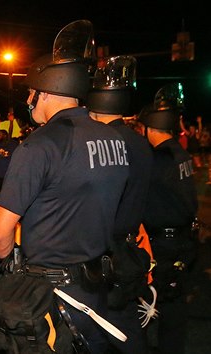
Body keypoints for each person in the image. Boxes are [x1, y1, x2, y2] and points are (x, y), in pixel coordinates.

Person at [0, 54, 129, 353]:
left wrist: (10, 264)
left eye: (31, 92)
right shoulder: (113, 139)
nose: (29, 99)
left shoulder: (40, 145)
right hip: (96, 283)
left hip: (52, 296)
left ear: (46, 92)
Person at [86, 55, 153, 353]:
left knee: (100, 329)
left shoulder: (98, 142)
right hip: (128, 250)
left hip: (100, 253)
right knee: (125, 327)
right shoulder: (140, 142)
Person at [138, 84, 198, 354]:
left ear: (149, 128)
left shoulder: (157, 160)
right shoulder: (180, 153)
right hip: (183, 240)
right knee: (174, 309)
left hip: (162, 244)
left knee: (151, 305)